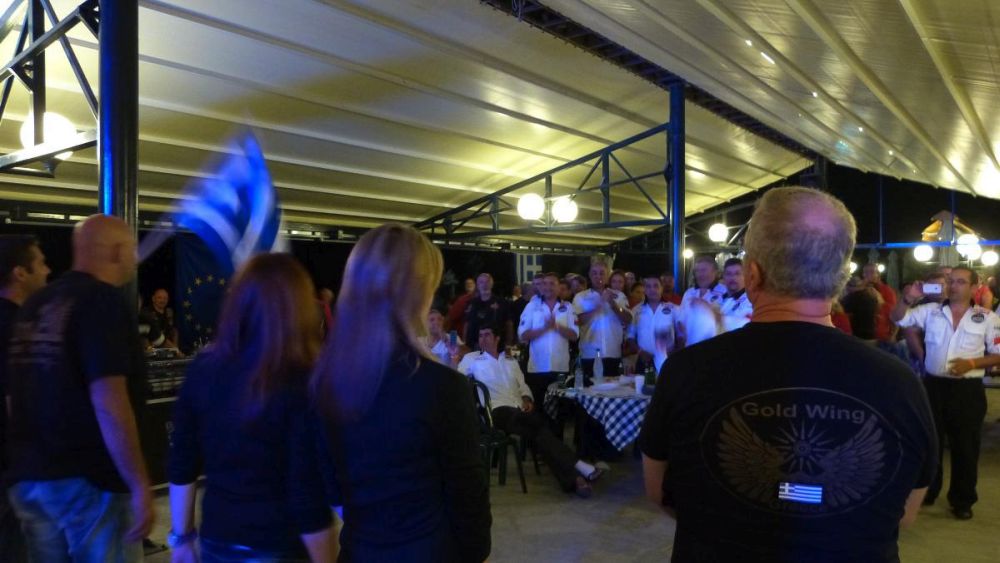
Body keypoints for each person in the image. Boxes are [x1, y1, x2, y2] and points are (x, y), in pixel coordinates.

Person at [640, 187, 937, 562]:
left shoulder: (686, 371)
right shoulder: (900, 383)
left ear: (752, 274)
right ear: (839, 279)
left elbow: (659, 492)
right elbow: (905, 513)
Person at [313, 224, 491, 562]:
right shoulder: (441, 385)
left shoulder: (325, 382)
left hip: (360, 551)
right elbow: (469, 502)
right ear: (418, 295)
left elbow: (330, 486)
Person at [168, 254, 335, 560]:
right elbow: (306, 493)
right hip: (279, 544)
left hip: (217, 537)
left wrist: (182, 536)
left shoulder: (204, 369)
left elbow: (183, 459)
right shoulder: (302, 380)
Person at [5, 215, 154, 561]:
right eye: (131, 248)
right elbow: (109, 400)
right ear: (116, 252)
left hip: (31, 478)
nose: (135, 257)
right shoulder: (103, 301)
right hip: (88, 482)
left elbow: (14, 396)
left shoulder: (35, 304)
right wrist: (138, 483)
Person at [891, 267, 1000, 520]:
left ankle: (962, 500)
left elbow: (998, 354)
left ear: (974, 287)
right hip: (933, 387)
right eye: (950, 281)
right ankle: (929, 491)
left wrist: (971, 364)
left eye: (960, 282)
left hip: (967, 390)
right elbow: (898, 319)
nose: (953, 286)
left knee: (966, 447)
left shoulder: (987, 317)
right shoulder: (931, 311)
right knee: (931, 444)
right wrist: (907, 298)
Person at [459, 324, 600, 497]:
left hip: (518, 409)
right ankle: (580, 466)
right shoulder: (472, 360)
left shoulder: (510, 361)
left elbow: (523, 386)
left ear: (497, 338)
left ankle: (575, 480)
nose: (483, 339)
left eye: (487, 335)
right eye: (480, 335)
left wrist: (527, 398)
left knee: (539, 433)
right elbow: (458, 377)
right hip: (497, 411)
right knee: (539, 425)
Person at [0, 235, 50, 559]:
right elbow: (14, 398)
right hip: (11, 466)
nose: (47, 270)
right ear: (20, 273)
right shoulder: (14, 326)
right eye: (41, 263)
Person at [517, 272, 579, 407]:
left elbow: (574, 335)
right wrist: (544, 328)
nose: (548, 287)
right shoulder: (532, 307)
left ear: (559, 287)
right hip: (537, 368)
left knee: (561, 409)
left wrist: (556, 326)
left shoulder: (568, 307)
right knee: (539, 409)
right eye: (545, 283)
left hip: (560, 368)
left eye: (552, 284)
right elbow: (523, 335)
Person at [573, 259, 631, 378]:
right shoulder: (581, 297)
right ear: (589, 275)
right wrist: (599, 305)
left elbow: (628, 319)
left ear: (608, 276)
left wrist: (613, 304)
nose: (598, 276)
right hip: (589, 354)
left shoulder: (619, 295)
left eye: (601, 273)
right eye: (594, 273)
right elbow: (579, 321)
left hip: (613, 353)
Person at [626, 275, 678, 375]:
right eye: (648, 286)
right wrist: (640, 352)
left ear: (661, 288)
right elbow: (630, 336)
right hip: (644, 360)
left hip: (667, 360)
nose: (652, 289)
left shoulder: (673, 309)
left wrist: (675, 351)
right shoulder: (636, 310)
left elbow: (681, 334)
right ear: (645, 290)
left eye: (656, 286)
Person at [677, 255, 725, 346]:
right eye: (697, 271)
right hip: (690, 347)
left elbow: (727, 322)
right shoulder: (689, 293)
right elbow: (681, 320)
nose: (699, 274)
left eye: (703, 270)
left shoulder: (724, 292)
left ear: (715, 272)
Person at [464, 273, 513, 350]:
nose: (485, 285)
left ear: (492, 284)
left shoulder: (501, 302)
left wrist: (508, 344)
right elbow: (467, 323)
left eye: (487, 282)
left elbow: (509, 323)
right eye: (481, 282)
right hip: (474, 346)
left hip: (496, 346)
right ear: (477, 285)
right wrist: (464, 342)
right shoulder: (472, 303)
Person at [862, 263, 897, 344]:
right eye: (866, 272)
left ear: (878, 275)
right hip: (861, 335)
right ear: (863, 274)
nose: (868, 274)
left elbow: (894, 314)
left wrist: (893, 335)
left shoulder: (887, 290)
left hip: (881, 336)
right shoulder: (859, 289)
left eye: (872, 272)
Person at [719, 258, 752, 332]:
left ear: (745, 276)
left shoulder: (750, 300)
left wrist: (717, 318)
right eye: (728, 274)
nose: (733, 278)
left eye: (737, 274)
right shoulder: (719, 299)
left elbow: (746, 325)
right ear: (723, 277)